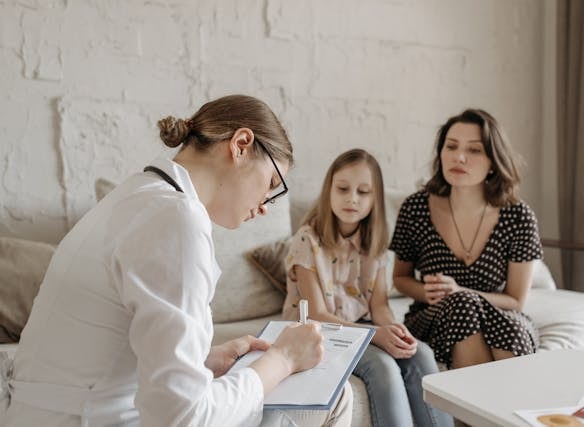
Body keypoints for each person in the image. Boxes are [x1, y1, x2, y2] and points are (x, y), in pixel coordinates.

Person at [3, 95, 352, 427]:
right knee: (335, 395)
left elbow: (104, 351)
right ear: (241, 144)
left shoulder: (137, 195)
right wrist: (282, 360)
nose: (264, 205)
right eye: (272, 183)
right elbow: (182, 418)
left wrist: (202, 361)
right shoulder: (176, 218)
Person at [282, 149, 453, 427]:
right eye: (343, 189)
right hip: (319, 334)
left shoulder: (373, 243)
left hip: (360, 327)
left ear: (375, 199)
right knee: (382, 365)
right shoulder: (307, 240)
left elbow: (380, 307)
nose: (352, 198)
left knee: (420, 352)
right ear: (329, 191)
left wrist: (396, 332)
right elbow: (317, 315)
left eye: (363, 192)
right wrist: (376, 334)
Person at [390, 108, 542, 370]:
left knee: (506, 325)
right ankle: (489, 408)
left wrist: (461, 291)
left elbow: (516, 301)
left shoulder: (518, 216)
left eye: (474, 150)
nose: (459, 157)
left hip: (499, 315)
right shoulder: (416, 208)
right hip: (433, 318)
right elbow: (400, 278)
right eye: (451, 146)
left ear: (493, 161)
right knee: (462, 305)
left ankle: (493, 409)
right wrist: (427, 291)